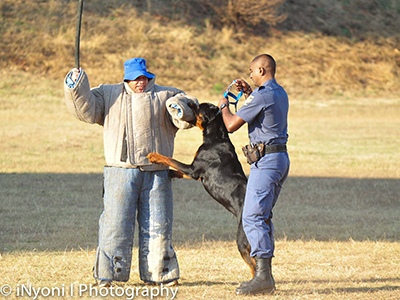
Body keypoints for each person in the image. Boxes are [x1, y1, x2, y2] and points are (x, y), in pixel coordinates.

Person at [64, 57, 198, 287]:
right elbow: (86, 110)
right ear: (126, 78)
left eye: (144, 77)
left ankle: (161, 274)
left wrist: (180, 108)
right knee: (115, 225)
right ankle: (107, 275)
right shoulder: (108, 94)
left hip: (157, 172)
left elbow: (187, 108)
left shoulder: (167, 95)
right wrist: (76, 85)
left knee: (159, 225)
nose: (140, 82)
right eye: (136, 78)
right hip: (120, 171)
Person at [218, 54, 290, 295]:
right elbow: (262, 113)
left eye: (251, 71)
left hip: (266, 162)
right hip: (278, 159)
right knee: (262, 215)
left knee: (252, 217)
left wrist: (223, 106)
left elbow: (231, 125)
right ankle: (264, 275)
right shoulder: (278, 92)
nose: (249, 74)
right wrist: (249, 93)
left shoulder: (263, 95)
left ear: (261, 69)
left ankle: (262, 277)